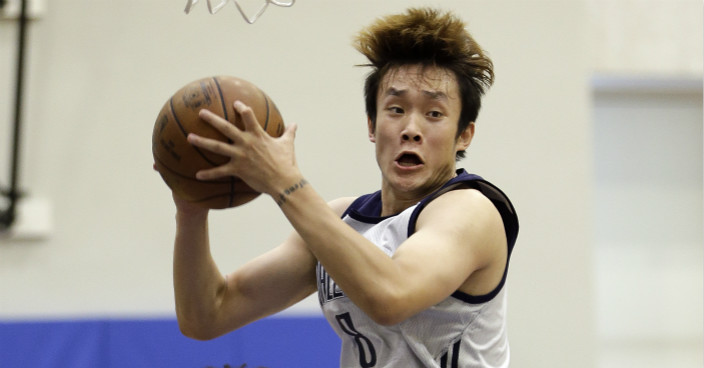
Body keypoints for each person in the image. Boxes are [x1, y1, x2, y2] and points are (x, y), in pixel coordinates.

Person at [171, 7, 519, 368]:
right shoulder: (342, 220)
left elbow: (391, 296)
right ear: (372, 125)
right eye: (396, 109)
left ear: (463, 134)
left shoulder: (472, 210)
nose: (411, 128)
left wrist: (284, 182)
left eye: (434, 113)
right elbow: (207, 315)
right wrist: (191, 212)